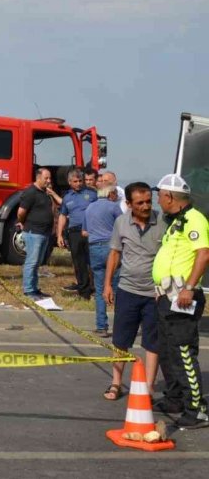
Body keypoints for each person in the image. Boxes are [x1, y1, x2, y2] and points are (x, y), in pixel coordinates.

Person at [150, 174, 209, 429]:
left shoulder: (194, 219)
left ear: (169, 196)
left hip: (182, 296)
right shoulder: (175, 221)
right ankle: (175, 398)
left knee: (183, 352)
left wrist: (189, 287)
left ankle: (197, 409)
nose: (158, 200)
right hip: (167, 295)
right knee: (167, 350)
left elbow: (203, 254)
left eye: (159, 195)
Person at [102, 182, 164, 400]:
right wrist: (107, 285)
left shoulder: (163, 222)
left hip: (155, 294)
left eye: (148, 201)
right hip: (127, 291)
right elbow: (114, 254)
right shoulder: (121, 222)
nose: (146, 206)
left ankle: (148, 388)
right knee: (120, 340)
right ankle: (116, 384)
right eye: (140, 203)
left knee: (153, 342)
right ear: (128, 204)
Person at [83, 186, 122, 335]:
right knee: (117, 287)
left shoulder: (89, 208)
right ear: (110, 193)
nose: (116, 196)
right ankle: (120, 326)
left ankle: (101, 326)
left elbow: (84, 231)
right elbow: (123, 226)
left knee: (100, 289)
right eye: (115, 193)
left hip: (94, 247)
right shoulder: (114, 207)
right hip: (111, 247)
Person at [16, 168, 58, 300]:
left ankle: (34, 289)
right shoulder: (30, 192)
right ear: (38, 178)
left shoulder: (46, 192)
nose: (49, 181)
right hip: (34, 232)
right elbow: (21, 212)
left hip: (45, 232)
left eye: (50, 178)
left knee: (37, 263)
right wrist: (23, 222)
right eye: (46, 178)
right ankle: (28, 290)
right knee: (32, 262)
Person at [56, 169, 97, 296]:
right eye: (75, 181)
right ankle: (84, 291)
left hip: (90, 231)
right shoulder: (67, 197)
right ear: (69, 182)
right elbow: (62, 216)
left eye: (80, 181)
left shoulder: (92, 194)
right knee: (79, 262)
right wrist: (59, 235)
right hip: (74, 232)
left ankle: (96, 288)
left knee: (93, 261)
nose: (78, 183)